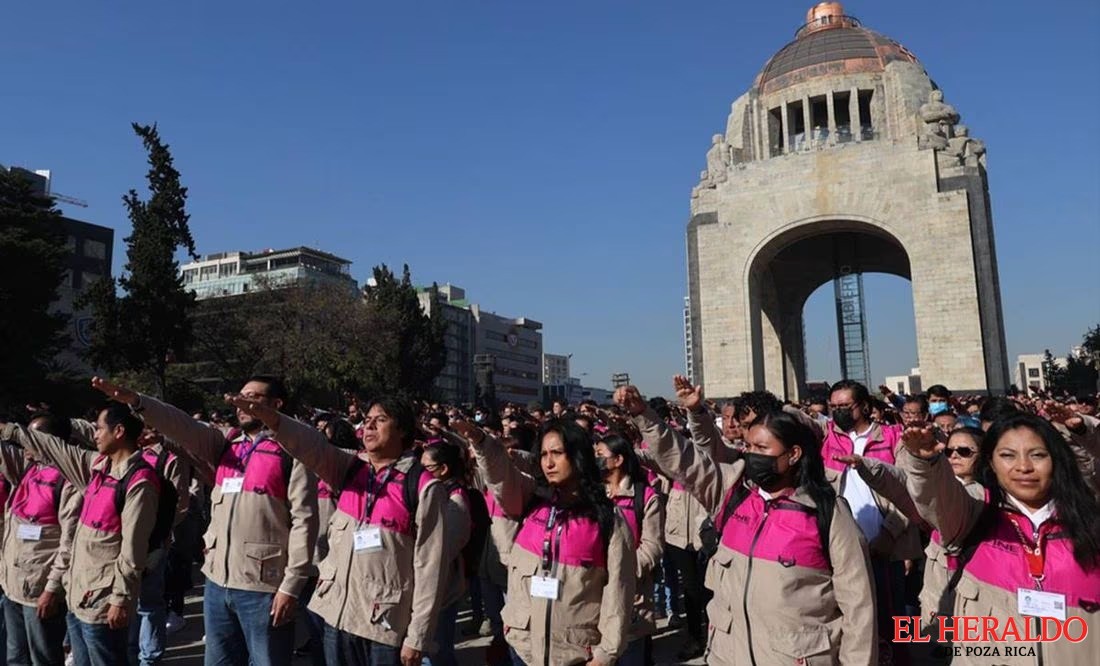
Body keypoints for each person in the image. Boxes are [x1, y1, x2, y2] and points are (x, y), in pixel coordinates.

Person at [616, 385, 876, 665]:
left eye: (762, 448)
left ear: (793, 454)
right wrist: (643, 415)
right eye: (749, 446)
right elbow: (683, 458)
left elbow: (859, 609)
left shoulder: (826, 513)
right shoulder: (730, 491)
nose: (752, 455)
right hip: (728, 656)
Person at [91, 376, 318, 666]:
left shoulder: (293, 450)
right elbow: (183, 425)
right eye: (239, 396)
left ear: (277, 404)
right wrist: (137, 401)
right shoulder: (227, 445)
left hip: (264, 588)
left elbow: (304, 522)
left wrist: (291, 587)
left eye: (252, 398)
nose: (241, 403)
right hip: (217, 583)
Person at [223, 393, 447, 666]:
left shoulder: (423, 487)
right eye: (367, 420)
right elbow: (310, 445)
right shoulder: (350, 467)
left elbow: (431, 569)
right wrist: (269, 417)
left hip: (384, 627)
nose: (369, 426)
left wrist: (417, 638)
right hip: (336, 617)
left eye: (381, 420)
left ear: (402, 430)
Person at [899, 412, 1100, 665]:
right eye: (1007, 455)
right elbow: (938, 499)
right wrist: (925, 463)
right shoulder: (975, 513)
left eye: (1037, 455)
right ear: (991, 463)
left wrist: (1083, 430)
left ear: (1056, 459)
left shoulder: (1088, 517)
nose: (1023, 466)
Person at [452, 418, 635, 666]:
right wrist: (481, 441)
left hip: (575, 653)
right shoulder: (532, 498)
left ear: (578, 455)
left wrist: (606, 653)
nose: (548, 463)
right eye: (544, 454)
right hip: (523, 648)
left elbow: (619, 592)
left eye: (557, 453)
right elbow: (502, 475)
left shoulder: (607, 518)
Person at [1, 403, 161, 666]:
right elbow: (53, 447)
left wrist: (120, 599)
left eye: (98, 428)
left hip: (102, 604)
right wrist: (9, 430)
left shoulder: (139, 482)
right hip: (78, 597)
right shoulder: (96, 466)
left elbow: (132, 550)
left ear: (119, 431)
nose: (93, 435)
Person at [0, 413, 81, 666]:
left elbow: (69, 544)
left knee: (43, 658)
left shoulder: (69, 482)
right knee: (15, 656)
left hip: (40, 591)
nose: (24, 443)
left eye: (31, 438)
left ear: (50, 443)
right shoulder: (28, 467)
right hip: (12, 586)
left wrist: (51, 589)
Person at [594, 434, 663, 666]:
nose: (595, 459)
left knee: (629, 653)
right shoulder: (594, 494)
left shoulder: (645, 497)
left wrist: (622, 573)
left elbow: (652, 547)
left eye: (600, 455)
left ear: (618, 460)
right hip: (594, 593)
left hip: (631, 595)